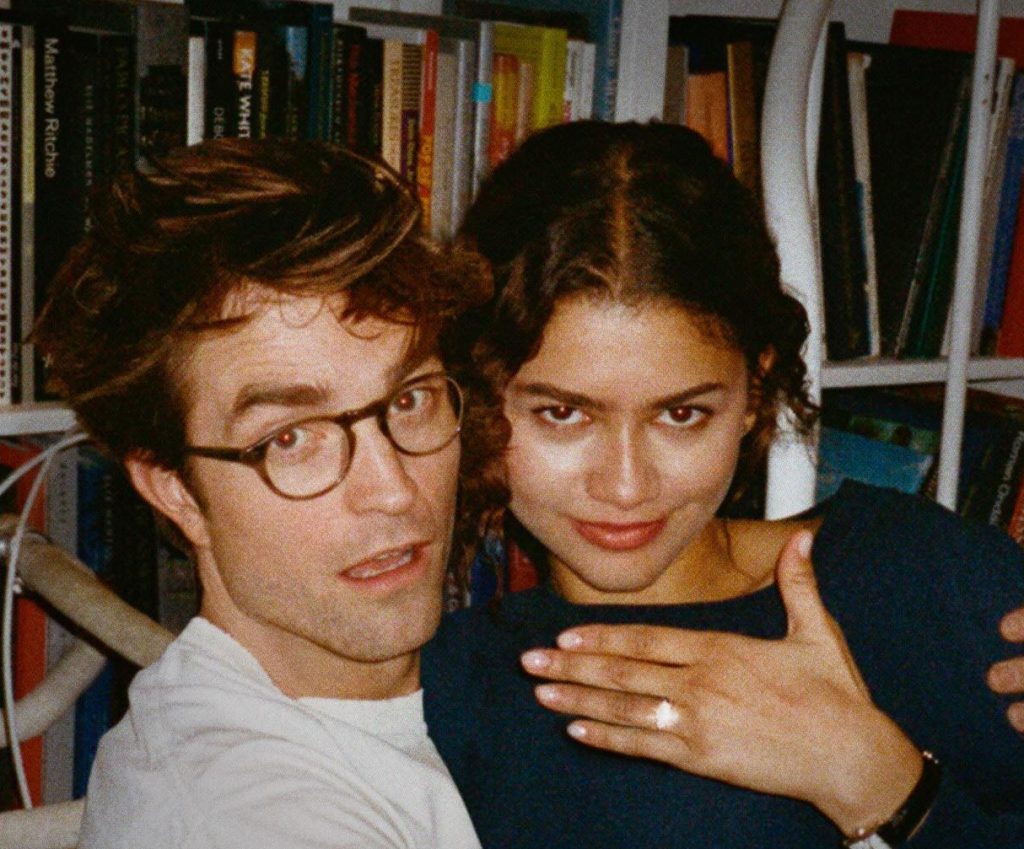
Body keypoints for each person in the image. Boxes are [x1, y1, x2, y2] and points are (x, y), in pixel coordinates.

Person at [421, 120, 1024, 849]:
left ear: (754, 394)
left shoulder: (925, 583)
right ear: (480, 397)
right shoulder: (438, 680)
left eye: (681, 414)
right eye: (562, 413)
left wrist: (878, 781)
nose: (625, 485)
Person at [31, 138, 487, 849]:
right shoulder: (257, 821)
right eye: (290, 438)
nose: (394, 491)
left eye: (410, 399)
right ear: (176, 490)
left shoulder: (418, 696)